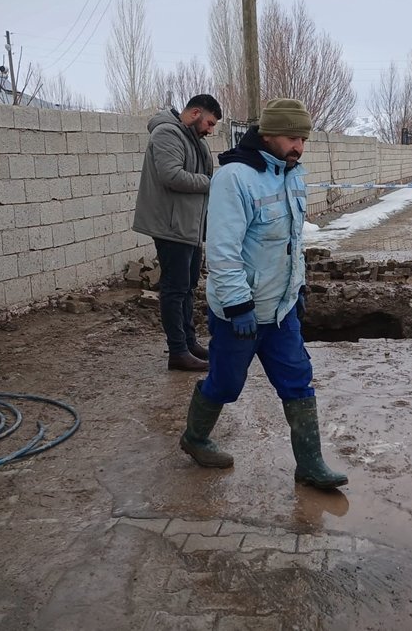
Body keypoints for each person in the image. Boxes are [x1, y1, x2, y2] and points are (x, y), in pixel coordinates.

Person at [177, 98, 348, 490]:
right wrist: (238, 306)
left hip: (280, 309)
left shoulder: (292, 173)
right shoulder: (234, 178)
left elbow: (291, 242)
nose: (298, 147)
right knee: (225, 384)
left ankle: (310, 464)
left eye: (303, 139)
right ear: (267, 134)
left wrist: (297, 288)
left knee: (297, 379)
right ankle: (196, 437)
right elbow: (222, 250)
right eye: (292, 137)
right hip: (240, 312)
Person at [133, 94, 223, 371]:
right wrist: (213, 182)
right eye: (209, 122)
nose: (210, 129)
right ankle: (178, 351)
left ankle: (190, 343)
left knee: (187, 286)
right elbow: (172, 176)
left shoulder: (193, 138)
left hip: (189, 226)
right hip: (171, 226)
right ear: (195, 112)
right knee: (174, 289)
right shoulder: (167, 133)